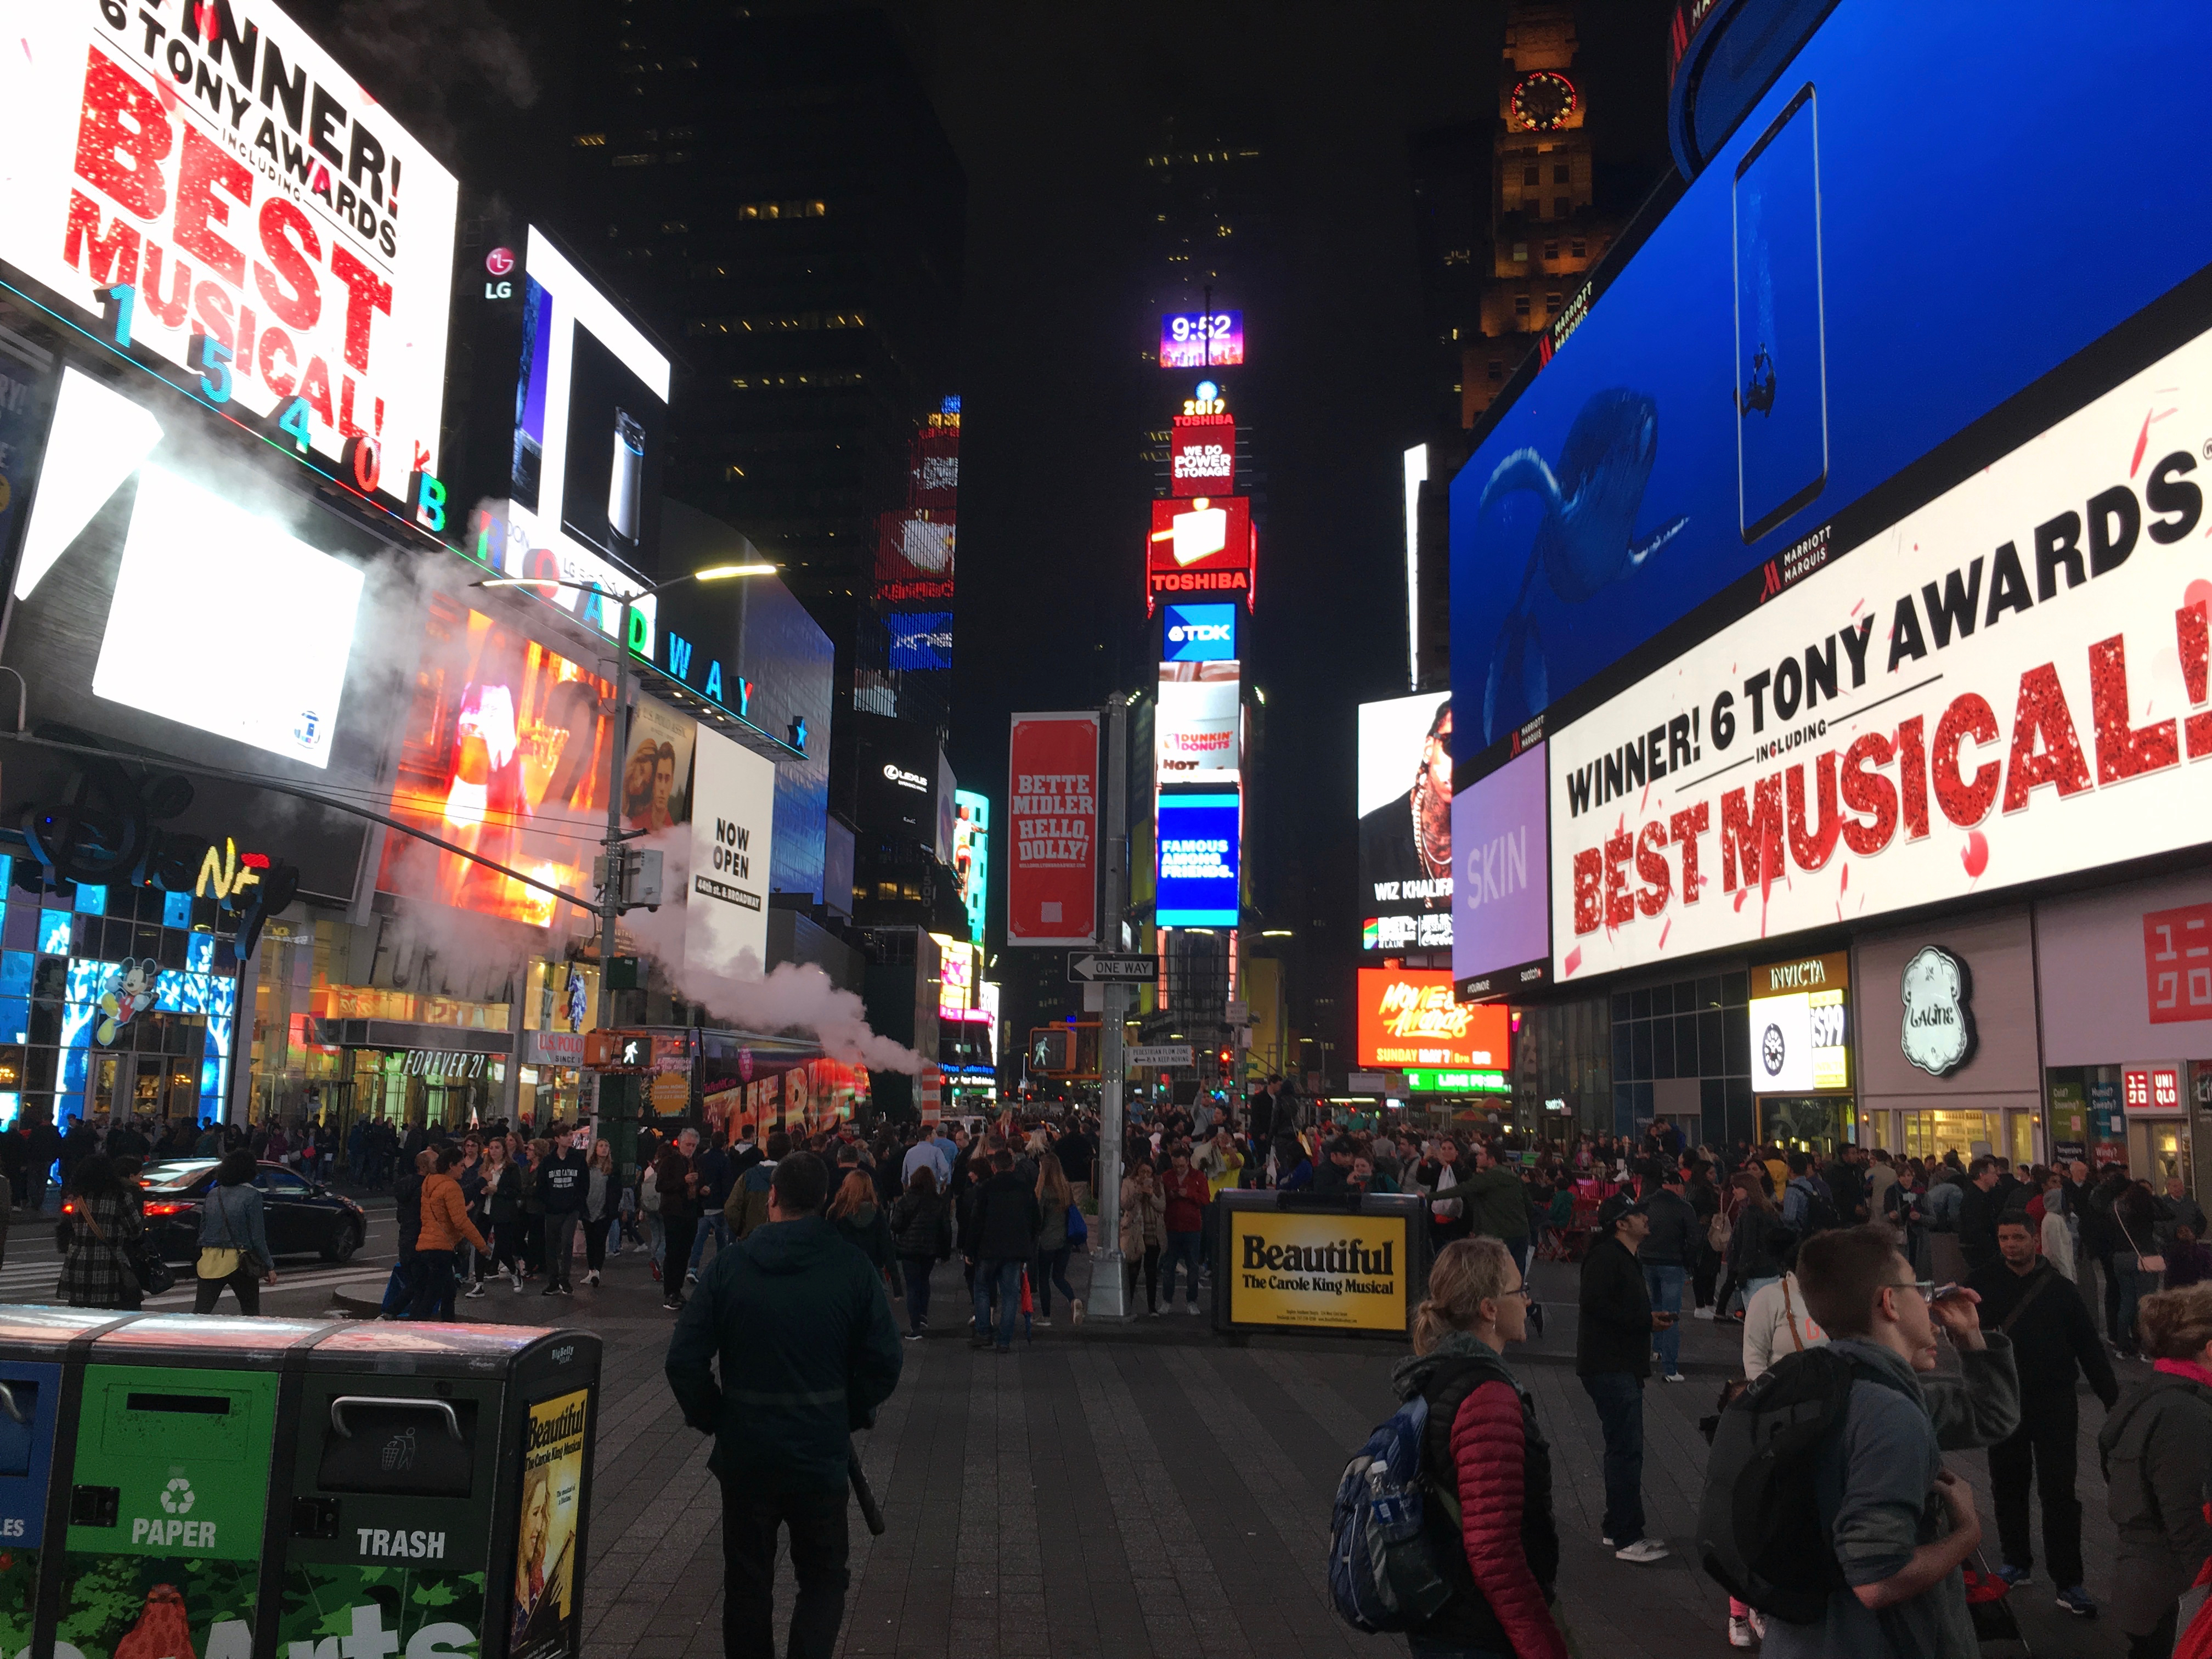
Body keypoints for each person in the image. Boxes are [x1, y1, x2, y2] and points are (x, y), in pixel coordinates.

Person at [666, 1152, 902, 1659]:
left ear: (772, 1198)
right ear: (822, 1202)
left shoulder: (731, 1266)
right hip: (819, 1449)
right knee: (823, 1578)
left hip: (747, 1448)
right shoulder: (851, 1268)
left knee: (747, 1580)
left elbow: (684, 1358)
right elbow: (885, 1359)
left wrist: (715, 1416)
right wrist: (850, 1409)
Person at [1760, 1224, 2021, 1659]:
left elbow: (1990, 1415)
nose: (1930, 1300)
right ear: (1890, 1302)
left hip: (1801, 1636)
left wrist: (1972, 1340)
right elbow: (1876, 1580)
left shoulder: (1828, 1384)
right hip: (1878, 1642)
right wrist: (1967, 1533)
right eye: (1919, 1288)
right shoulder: (1888, 1413)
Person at [1396, 1237, 1568, 1659]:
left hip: (1446, 1618)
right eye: (1518, 1290)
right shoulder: (1487, 1398)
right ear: (1489, 1309)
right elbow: (1494, 1551)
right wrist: (1543, 1646)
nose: (1527, 1301)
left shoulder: (1438, 1373)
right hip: (1478, 1631)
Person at [1968, 1212, 2117, 1617]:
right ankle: (2016, 1562)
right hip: (2003, 1400)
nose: (2010, 1245)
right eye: (2003, 1238)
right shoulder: (1979, 1284)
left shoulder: (2062, 1291)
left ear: (2035, 1239)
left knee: (2060, 1493)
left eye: (2017, 1237)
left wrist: (2113, 1401)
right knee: (2007, 1484)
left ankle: (2069, 1581)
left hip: (2054, 1402)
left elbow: (2089, 1348)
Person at [2101, 1283, 2212, 1658]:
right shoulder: (2187, 1414)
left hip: (2147, 1593)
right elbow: (2190, 1523)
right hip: (2176, 1602)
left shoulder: (2153, 1393)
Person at [1730, 1248, 1827, 1649]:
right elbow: (1753, 1359)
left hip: (1820, 1421)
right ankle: (1740, 1609)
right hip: (1776, 1421)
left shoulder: (1834, 1299)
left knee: (1801, 1518)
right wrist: (1769, 1409)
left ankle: (1782, 1603)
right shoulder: (1770, 1298)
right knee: (1760, 1514)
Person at [1575, 1193, 1670, 1562]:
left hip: (1618, 1364)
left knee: (1624, 1448)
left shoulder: (1625, 1257)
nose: (1645, 1218)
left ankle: (1617, 1527)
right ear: (1622, 1223)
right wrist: (1644, 1320)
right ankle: (1629, 1537)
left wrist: (1648, 1318)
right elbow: (1594, 1304)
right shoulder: (1606, 1257)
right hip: (1609, 1365)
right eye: (1637, 1214)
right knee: (1626, 1450)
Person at [1357, 695, 1452, 928]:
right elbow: (1369, 935)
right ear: (1429, 749)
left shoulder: (1500, 830)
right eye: (1452, 744)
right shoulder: (1372, 836)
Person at [967, 1149, 1039, 1352]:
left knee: (981, 1289)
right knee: (1010, 1294)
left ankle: (983, 1332)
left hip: (988, 1249)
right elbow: (1035, 1221)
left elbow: (976, 1222)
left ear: (994, 1167)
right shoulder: (1025, 1189)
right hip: (1015, 1250)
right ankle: (1004, 1340)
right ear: (1013, 1167)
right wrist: (1028, 1245)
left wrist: (969, 1250)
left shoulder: (986, 1189)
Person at [411, 1144, 488, 1320]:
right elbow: (460, 1221)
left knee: (446, 1291)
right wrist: (481, 1245)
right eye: (461, 1165)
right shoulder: (451, 1187)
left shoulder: (429, 1183)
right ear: (451, 1166)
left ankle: (448, 1324)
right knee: (432, 1295)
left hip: (425, 1243)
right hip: (441, 1247)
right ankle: (417, 1328)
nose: (464, 1169)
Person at [192, 1150, 274, 1314]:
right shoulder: (252, 1195)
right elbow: (257, 1236)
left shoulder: (214, 1194)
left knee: (201, 1311)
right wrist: (269, 1266)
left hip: (210, 1259)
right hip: (241, 1260)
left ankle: (188, 1338)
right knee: (250, 1312)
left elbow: (204, 1227)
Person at [57, 1154, 142, 1310]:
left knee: (81, 1315)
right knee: (114, 1313)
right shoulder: (120, 1197)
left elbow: (65, 1230)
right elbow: (136, 1230)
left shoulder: (76, 1198)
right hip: (109, 1265)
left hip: (77, 1263)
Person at [1639, 1161, 1698, 1383]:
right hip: (1673, 1263)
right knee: (1671, 1313)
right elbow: (1694, 1239)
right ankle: (1671, 1369)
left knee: (1655, 1304)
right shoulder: (1684, 1208)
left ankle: (1657, 1349)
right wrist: (1689, 1265)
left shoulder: (1647, 1202)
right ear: (1677, 1186)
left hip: (1648, 1260)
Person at [890, 1164, 951, 1339]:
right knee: (924, 1281)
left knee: (912, 1286)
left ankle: (915, 1327)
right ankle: (923, 1316)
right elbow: (946, 1229)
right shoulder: (938, 1202)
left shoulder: (906, 1200)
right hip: (930, 1249)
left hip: (909, 1249)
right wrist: (945, 1253)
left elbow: (896, 1225)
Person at [828, 1169, 902, 1304]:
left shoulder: (836, 1212)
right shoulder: (876, 1211)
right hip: (873, 1267)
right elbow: (886, 1245)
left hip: (845, 1269)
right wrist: (897, 1284)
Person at [656, 1127, 703, 1313]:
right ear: (680, 1143)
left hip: (690, 1212)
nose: (690, 1148)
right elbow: (661, 1185)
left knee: (684, 1253)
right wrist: (683, 1181)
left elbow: (700, 1183)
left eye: (693, 1145)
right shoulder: (670, 1161)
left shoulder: (695, 1162)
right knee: (674, 1252)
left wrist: (702, 1190)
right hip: (674, 1212)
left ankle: (677, 1290)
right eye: (688, 1145)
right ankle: (670, 1291)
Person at [1160, 1146, 1209, 1316]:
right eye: (1175, 1166)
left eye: (1181, 1165)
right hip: (1171, 1227)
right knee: (1169, 1266)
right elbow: (1160, 1199)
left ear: (1188, 1162)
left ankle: (1192, 1301)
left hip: (1192, 1228)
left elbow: (1205, 1199)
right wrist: (1171, 1196)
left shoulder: (1198, 1177)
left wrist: (1188, 1193)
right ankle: (1167, 1301)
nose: (1178, 1169)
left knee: (1192, 1267)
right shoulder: (1166, 1177)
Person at [1032, 1153, 1080, 1327]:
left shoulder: (1043, 1191)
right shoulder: (1065, 1189)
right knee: (1059, 1277)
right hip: (1065, 1240)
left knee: (1043, 1278)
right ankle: (1073, 1299)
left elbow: (1039, 1219)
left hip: (1047, 1241)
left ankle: (1046, 1316)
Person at [1119, 1159, 1166, 1318]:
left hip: (1153, 1231)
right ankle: (1128, 1305)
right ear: (1137, 1172)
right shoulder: (1129, 1183)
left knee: (1151, 1272)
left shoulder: (1158, 1185)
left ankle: (1152, 1307)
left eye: (1148, 1172)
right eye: (1142, 1172)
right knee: (1132, 1270)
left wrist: (1152, 1195)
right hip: (1135, 1230)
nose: (1145, 1175)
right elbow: (1125, 1204)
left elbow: (1162, 1206)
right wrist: (1138, 1192)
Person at [583, 1140, 620, 1287]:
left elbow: (617, 1190)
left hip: (604, 1211)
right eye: (601, 1146)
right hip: (588, 1209)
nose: (604, 1149)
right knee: (590, 1241)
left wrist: (613, 1208)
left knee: (600, 1241)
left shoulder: (612, 1169)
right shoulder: (588, 1168)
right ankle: (591, 1270)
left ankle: (597, 1270)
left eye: (607, 1146)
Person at [1959, 1156, 2004, 1277]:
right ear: (1981, 1175)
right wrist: (1993, 1249)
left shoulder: (1986, 1196)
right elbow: (1976, 1229)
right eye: (1993, 1173)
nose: (1997, 1177)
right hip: (1979, 1253)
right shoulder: (1973, 1199)